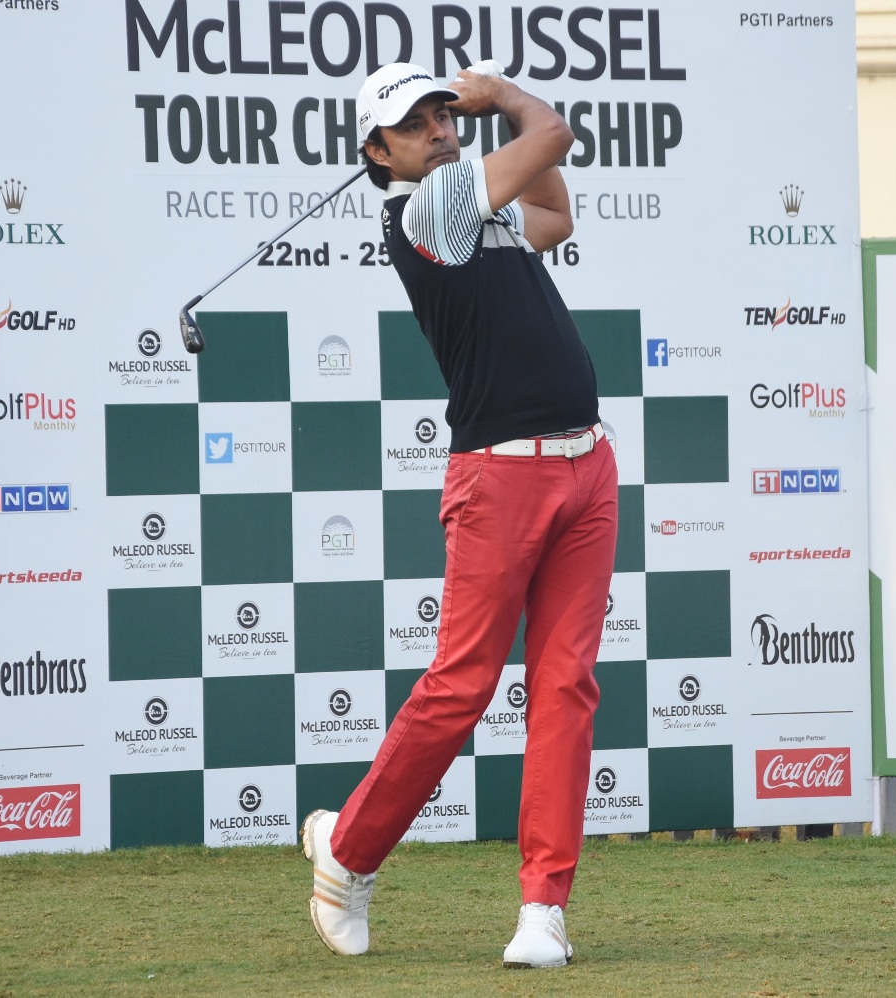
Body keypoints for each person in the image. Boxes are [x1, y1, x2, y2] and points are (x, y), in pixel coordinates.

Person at [299, 61, 617, 970]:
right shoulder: (427, 210)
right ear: (378, 154)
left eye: (444, 113)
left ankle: (543, 910)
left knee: (564, 689)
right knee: (461, 685)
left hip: (587, 466)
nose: (440, 128)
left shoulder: (481, 211)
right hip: (500, 478)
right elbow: (551, 135)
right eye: (415, 123)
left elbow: (554, 212)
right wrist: (505, 96)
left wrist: (509, 123)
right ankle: (348, 854)